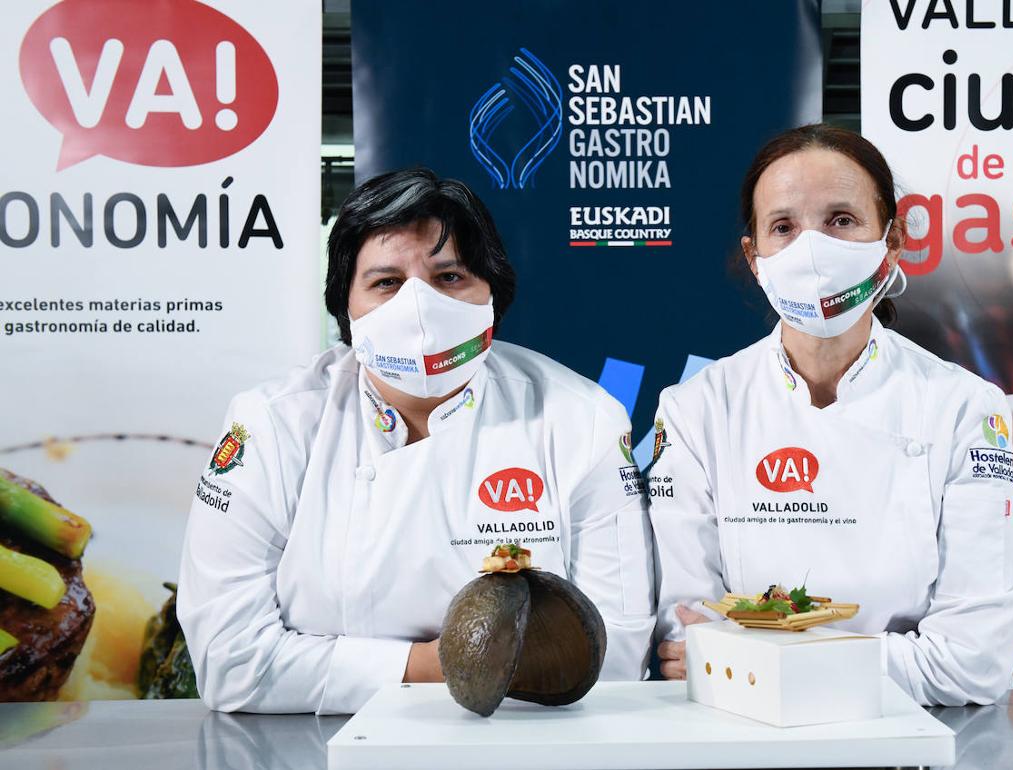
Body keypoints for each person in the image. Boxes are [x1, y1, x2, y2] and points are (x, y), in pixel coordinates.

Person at [178, 168, 655, 714]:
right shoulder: (272, 424)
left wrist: (334, 666)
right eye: (386, 282)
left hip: (522, 749)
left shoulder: (580, 419)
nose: (419, 307)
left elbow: (613, 653)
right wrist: (439, 665)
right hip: (317, 749)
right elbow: (231, 660)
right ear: (346, 308)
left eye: (449, 277)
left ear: (491, 295)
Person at [649, 125, 1013, 706]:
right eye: (784, 227)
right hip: (745, 745)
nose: (813, 249)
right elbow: (683, 640)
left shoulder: (964, 408)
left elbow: (970, 664)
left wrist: (756, 655)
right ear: (755, 257)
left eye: (841, 220)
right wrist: (874, 656)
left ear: (893, 240)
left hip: (915, 751)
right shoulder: (696, 409)